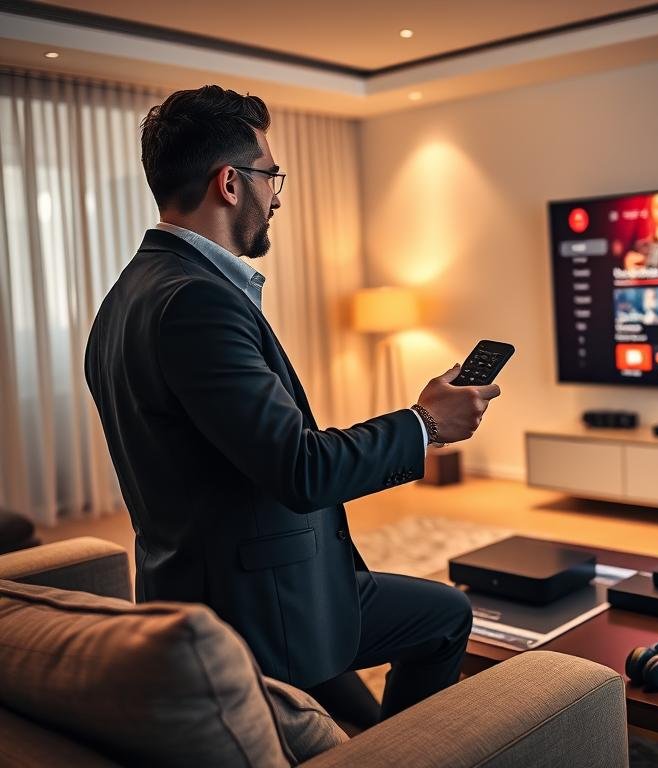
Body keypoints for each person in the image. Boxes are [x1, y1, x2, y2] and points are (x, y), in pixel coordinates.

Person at [83, 86, 501, 724]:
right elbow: (300, 469)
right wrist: (424, 424)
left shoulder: (127, 295)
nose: (277, 194)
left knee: (434, 620)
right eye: (271, 175)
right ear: (231, 183)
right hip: (259, 607)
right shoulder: (198, 301)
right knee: (444, 622)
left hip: (226, 581)